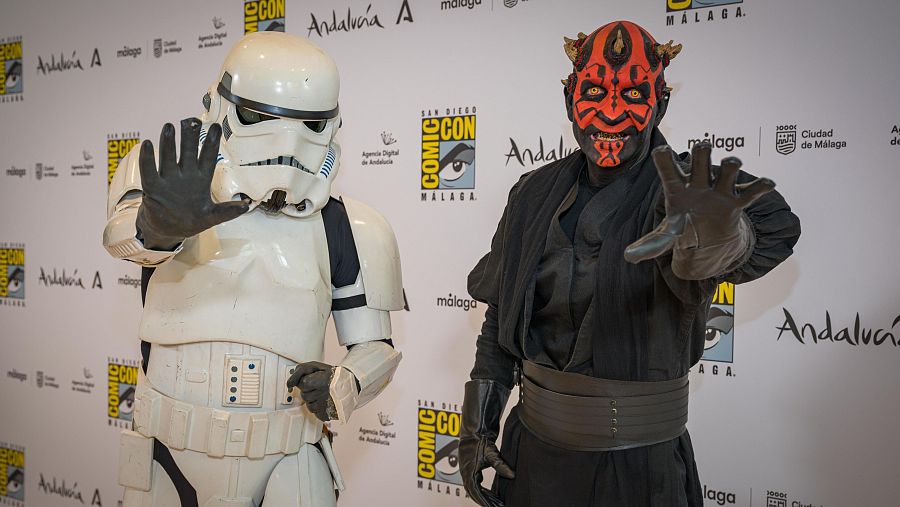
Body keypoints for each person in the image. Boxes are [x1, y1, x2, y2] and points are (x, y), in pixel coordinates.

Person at [459, 20, 801, 507]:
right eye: (595, 91)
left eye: (634, 93)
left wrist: (721, 239)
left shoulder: (686, 191)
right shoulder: (531, 193)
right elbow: (500, 321)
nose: (612, 111)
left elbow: (768, 229)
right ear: (569, 98)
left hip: (639, 471)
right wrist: (476, 430)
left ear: (659, 103)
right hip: (530, 460)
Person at [103, 32, 404, 506]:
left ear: (333, 124)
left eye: (309, 124)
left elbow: (375, 348)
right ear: (217, 105)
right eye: (259, 117)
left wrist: (344, 384)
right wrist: (160, 226)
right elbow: (126, 241)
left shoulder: (350, 226)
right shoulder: (170, 184)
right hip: (168, 444)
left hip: (284, 452)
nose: (287, 141)